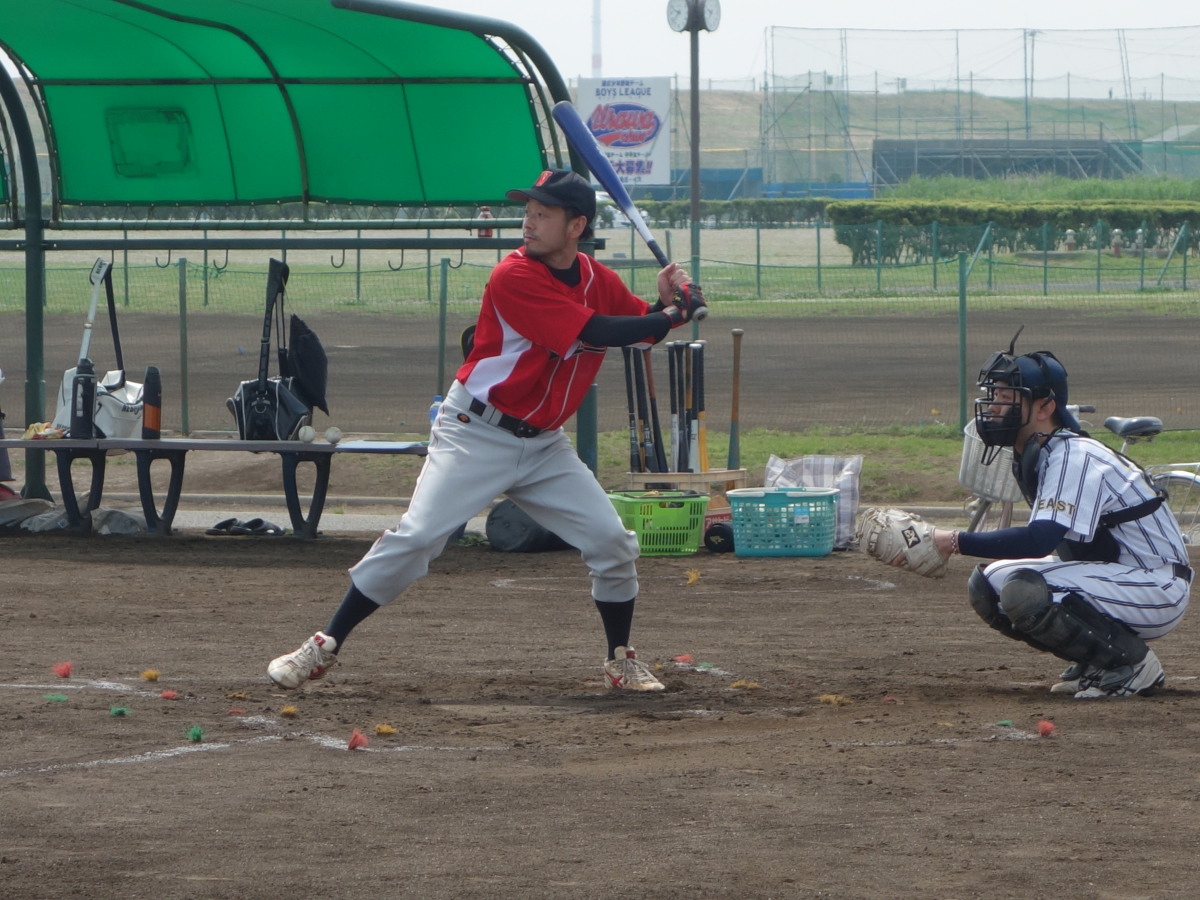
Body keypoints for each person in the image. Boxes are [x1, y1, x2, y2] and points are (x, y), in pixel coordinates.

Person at [268, 169, 705, 693]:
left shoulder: (597, 278)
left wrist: (666, 305)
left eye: (543, 214)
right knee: (418, 537)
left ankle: (619, 660)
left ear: (576, 226)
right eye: (529, 212)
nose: (528, 222)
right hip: (475, 432)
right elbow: (595, 330)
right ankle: (323, 645)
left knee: (612, 542)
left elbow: (638, 332)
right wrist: (673, 314)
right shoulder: (513, 275)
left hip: (544, 445)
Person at [928, 336, 1191, 698]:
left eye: (1006, 397)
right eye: (993, 396)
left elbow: (1039, 540)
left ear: (1045, 407)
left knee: (1024, 589)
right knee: (988, 585)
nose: (994, 407)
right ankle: (1098, 659)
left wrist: (951, 541)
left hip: (1154, 586)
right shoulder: (1041, 452)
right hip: (1118, 576)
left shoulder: (1073, 456)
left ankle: (1132, 665)